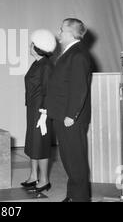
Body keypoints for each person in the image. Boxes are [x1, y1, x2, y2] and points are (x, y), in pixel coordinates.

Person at [41, 18, 92, 202]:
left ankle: (80, 199)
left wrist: (71, 115)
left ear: (70, 33)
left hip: (70, 117)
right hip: (62, 115)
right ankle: (73, 195)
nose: (59, 32)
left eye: (62, 29)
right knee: (69, 158)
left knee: (75, 159)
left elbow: (79, 88)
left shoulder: (77, 55)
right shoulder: (70, 53)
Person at [21, 29, 56, 193]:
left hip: (41, 111)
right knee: (33, 143)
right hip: (33, 109)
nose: (30, 46)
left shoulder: (47, 66)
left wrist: (44, 114)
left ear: (38, 47)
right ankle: (34, 175)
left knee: (40, 144)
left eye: (32, 43)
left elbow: (50, 92)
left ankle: (44, 180)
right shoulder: (37, 63)